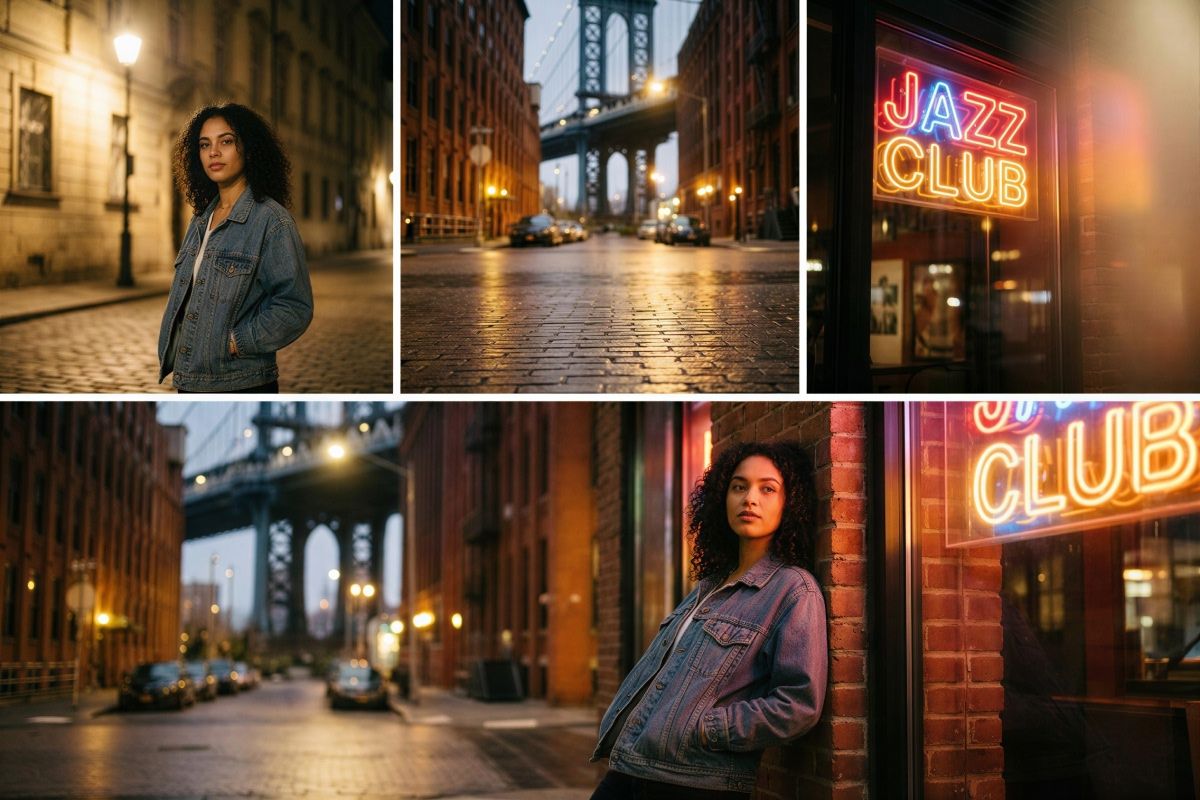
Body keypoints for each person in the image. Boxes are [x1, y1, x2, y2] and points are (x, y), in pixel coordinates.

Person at [590, 441, 828, 799]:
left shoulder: (793, 590)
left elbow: (798, 704)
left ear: (788, 503)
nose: (750, 498)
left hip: (694, 783)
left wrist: (709, 728)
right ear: (723, 499)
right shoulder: (708, 586)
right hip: (631, 768)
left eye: (767, 488)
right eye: (738, 486)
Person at [158, 103, 313, 393]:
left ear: (249, 149)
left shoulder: (272, 220)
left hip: (242, 382)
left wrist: (234, 342)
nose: (213, 152)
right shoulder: (202, 219)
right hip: (190, 380)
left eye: (226, 141)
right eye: (205, 145)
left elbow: (294, 306)